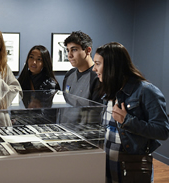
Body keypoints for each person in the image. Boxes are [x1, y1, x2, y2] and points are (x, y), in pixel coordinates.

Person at [92, 42, 169, 183]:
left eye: (97, 63)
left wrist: (128, 121)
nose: (94, 69)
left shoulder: (147, 91)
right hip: (107, 163)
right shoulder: (110, 90)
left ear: (112, 66)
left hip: (131, 167)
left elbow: (163, 131)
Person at [63, 31, 101, 103]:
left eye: (74, 50)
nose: (69, 55)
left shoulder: (97, 77)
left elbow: (96, 111)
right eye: (68, 50)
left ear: (88, 50)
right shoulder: (69, 75)